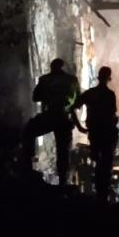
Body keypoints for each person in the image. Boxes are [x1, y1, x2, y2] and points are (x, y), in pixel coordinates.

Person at [21, 58, 81, 186]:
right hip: (64, 118)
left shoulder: (45, 79)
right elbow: (77, 103)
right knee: (63, 150)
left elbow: (35, 97)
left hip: (49, 116)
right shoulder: (72, 80)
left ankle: (27, 167)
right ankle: (63, 181)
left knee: (29, 130)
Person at [71, 66, 119, 202]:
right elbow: (112, 114)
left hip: (95, 132)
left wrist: (79, 127)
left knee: (98, 161)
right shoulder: (110, 94)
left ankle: (99, 194)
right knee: (106, 163)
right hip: (107, 132)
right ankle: (103, 195)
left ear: (98, 77)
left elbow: (72, 108)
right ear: (109, 78)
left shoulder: (90, 93)